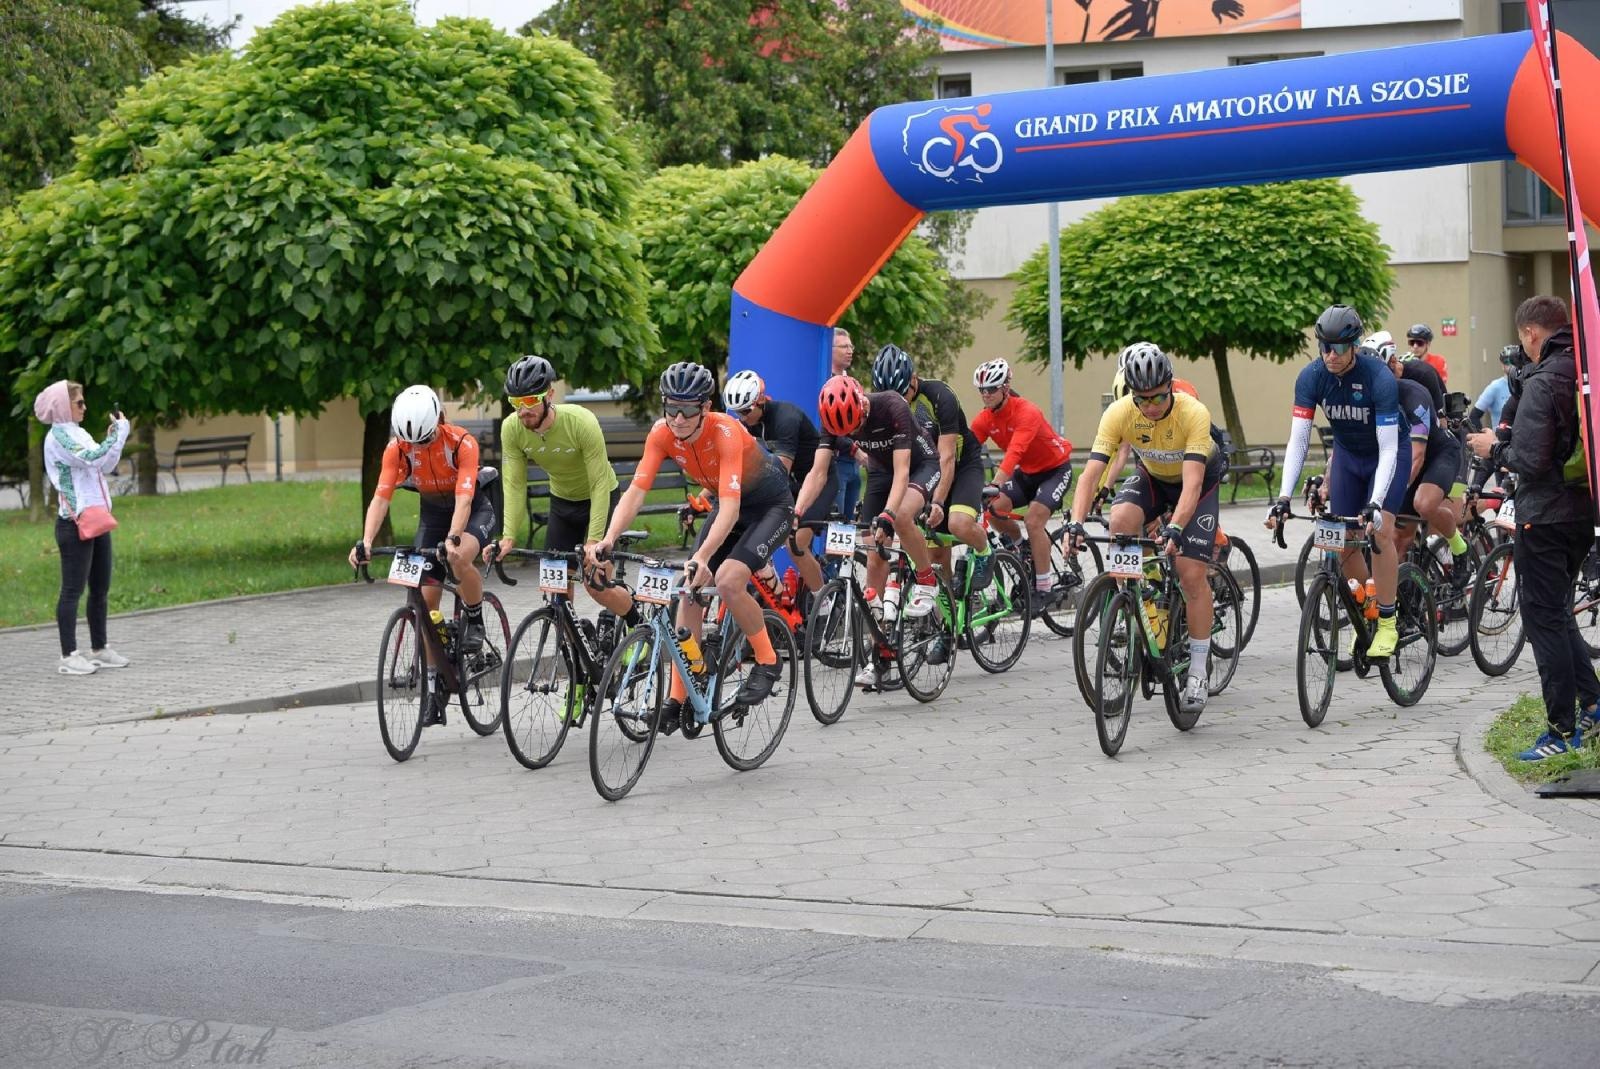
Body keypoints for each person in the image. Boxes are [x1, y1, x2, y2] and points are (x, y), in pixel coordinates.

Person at [589, 362, 793, 732]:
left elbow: (729, 509)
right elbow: (636, 491)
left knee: (728, 579)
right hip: (730, 507)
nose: (678, 419)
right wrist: (608, 538)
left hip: (769, 507)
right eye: (671, 408)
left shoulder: (725, 431)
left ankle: (767, 659)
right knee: (688, 591)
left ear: (706, 407)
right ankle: (679, 697)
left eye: (687, 409)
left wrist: (701, 556)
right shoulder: (661, 433)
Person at [1467, 296, 1599, 760]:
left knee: (1543, 620)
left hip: (1544, 515)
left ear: (1531, 333)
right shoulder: (1583, 370)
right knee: (1559, 612)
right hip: (1583, 510)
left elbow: (1531, 459)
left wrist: (1491, 448)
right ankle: (1594, 704)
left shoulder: (1543, 381)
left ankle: (1561, 733)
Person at [1065, 343, 1221, 713]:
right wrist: (1074, 523)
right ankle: (1140, 594)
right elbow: (1089, 475)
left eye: (1158, 397)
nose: (1150, 406)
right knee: (1120, 519)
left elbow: (1192, 485)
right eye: (1142, 399)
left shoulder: (1192, 413)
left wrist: (1176, 527)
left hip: (1197, 482)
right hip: (1153, 476)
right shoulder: (1120, 412)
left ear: (1171, 386)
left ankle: (1198, 670)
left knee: (1190, 575)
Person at [1266, 304, 1405, 658]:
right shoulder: (1311, 377)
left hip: (1387, 453)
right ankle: (1367, 605)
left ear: (1355, 345)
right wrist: (1283, 497)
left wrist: (1375, 502)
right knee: (1340, 538)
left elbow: (1389, 448)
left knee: (1381, 531)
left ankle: (1388, 621)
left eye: (1339, 347)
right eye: (1324, 346)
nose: (1331, 354)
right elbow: (1298, 440)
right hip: (1348, 456)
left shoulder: (1378, 377)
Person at [350, 385, 495, 722]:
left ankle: (474, 618)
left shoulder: (461, 443)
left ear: (439, 421)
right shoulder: (396, 449)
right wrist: (366, 541)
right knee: (425, 607)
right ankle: (434, 686)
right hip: (433, 515)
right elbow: (381, 497)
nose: (418, 447)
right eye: (411, 442)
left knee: (458, 557)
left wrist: (454, 538)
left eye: (425, 439)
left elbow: (464, 499)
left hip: (473, 511)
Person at [491, 356, 634, 622]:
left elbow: (599, 482)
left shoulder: (581, 421)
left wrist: (593, 540)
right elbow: (513, 483)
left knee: (596, 585)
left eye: (530, 401)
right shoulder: (511, 428)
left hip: (600, 497)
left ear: (549, 395)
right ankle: (568, 641)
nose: (523, 411)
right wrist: (508, 536)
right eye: (516, 403)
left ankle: (637, 623)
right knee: (554, 585)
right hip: (562, 503)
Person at [808, 374, 944, 646]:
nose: (854, 433)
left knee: (901, 517)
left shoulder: (892, 405)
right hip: (881, 471)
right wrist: (798, 513)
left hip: (920, 466)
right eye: (846, 433)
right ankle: (879, 642)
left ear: (862, 405)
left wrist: (888, 515)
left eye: (856, 425)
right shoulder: (832, 420)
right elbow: (817, 473)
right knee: (874, 552)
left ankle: (927, 578)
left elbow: (902, 472)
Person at [870, 344, 994, 598]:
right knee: (935, 557)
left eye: (902, 393)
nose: (898, 402)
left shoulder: (939, 396)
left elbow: (947, 457)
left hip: (962, 465)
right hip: (927, 469)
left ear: (914, 379)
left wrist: (937, 501)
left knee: (958, 524)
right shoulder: (885, 407)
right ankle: (948, 617)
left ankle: (985, 551)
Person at [37, 380, 131, 676]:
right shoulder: (59, 437)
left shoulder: (79, 432)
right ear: (63, 406)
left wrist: (115, 437)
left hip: (98, 517)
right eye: (79, 403)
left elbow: (104, 464)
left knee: (100, 587)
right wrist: (119, 434)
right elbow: (91, 457)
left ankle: (99, 649)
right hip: (74, 522)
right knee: (72, 590)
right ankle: (69, 655)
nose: (85, 407)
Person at [968, 358, 1075, 613]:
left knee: (1034, 520)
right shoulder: (985, 419)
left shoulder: (1027, 411)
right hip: (1027, 474)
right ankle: (1022, 547)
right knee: (994, 509)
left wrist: (995, 484)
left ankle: (1044, 588)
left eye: (991, 389)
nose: (985, 394)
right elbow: (965, 452)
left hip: (1055, 470)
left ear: (1005, 388)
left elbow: (1014, 453)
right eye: (982, 390)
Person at [723, 368, 833, 598]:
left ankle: (822, 605)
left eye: (746, 410)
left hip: (816, 483)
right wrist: (706, 496)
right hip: (786, 486)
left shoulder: (786, 417)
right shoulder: (745, 423)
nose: (742, 417)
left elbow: (780, 471)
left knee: (796, 545)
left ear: (761, 400)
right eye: (737, 412)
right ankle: (779, 596)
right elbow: (729, 465)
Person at [830, 328, 863, 522]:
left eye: (851, 346)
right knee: (836, 521)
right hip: (836, 462)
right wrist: (854, 449)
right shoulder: (825, 383)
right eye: (844, 347)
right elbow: (827, 428)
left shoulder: (853, 383)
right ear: (831, 349)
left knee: (848, 525)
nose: (850, 351)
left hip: (854, 464)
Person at [1468, 344, 1522, 432]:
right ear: (1502, 365)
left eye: (1515, 362)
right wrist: (1482, 436)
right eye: (1508, 362)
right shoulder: (1495, 387)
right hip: (1500, 437)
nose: (1512, 366)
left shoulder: (1527, 383)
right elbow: (1474, 416)